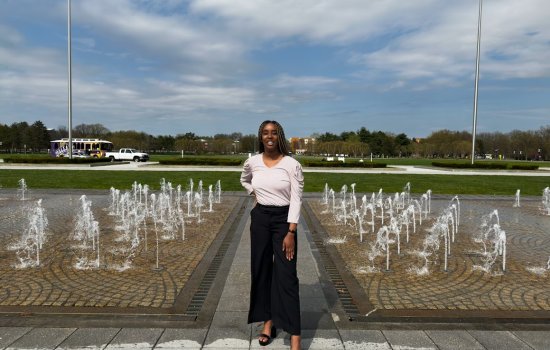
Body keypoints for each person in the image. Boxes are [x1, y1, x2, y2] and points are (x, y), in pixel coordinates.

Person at [240, 120, 304, 350]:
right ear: (260, 137)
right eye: (265, 133)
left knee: (287, 276)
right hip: (260, 219)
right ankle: (268, 323)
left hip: (284, 222)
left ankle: (295, 335)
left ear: (280, 137)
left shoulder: (291, 164)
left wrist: (291, 231)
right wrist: (254, 192)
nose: (269, 137)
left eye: (274, 133)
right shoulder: (252, 162)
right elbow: (244, 179)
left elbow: (296, 198)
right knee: (262, 270)